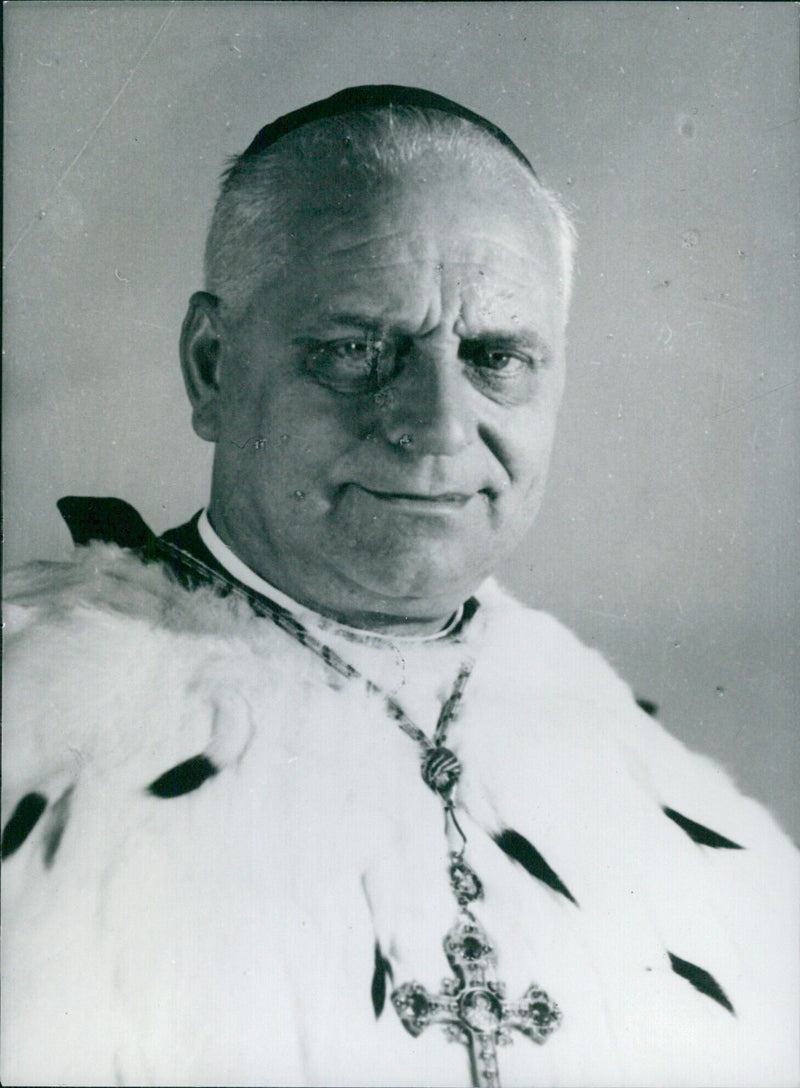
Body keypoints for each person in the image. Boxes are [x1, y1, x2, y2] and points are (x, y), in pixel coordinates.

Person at [1, 86, 797, 1088]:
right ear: (212, 367)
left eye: (495, 356)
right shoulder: (27, 724)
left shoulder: (656, 790)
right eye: (353, 351)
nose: (437, 422)